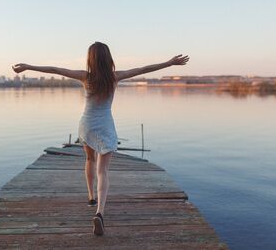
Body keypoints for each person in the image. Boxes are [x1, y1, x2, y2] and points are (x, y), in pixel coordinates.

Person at [12, 41, 189, 236]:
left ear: (91, 59)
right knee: (103, 170)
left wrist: (28, 66)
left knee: (89, 159)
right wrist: (169, 63)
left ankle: (90, 197)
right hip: (105, 125)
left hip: (86, 125)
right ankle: (100, 213)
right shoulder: (114, 77)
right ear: (108, 58)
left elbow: (55, 69)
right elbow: (144, 68)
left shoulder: (85, 76)